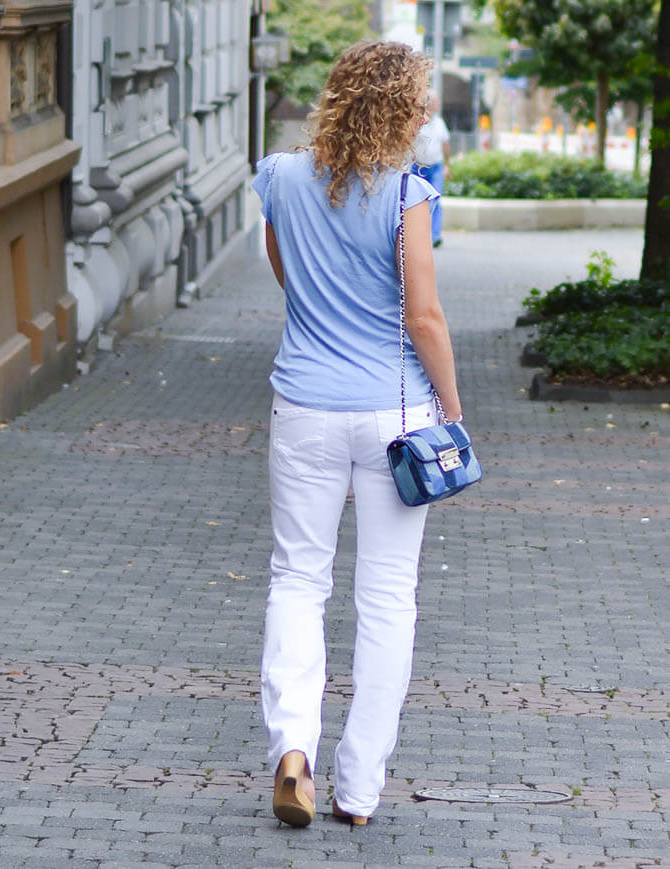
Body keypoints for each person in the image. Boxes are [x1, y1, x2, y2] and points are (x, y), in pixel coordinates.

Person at [252, 41, 463, 828]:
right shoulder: (407, 194)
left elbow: (287, 274)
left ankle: (292, 750)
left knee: (298, 579)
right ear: (405, 108)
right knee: (386, 597)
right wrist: (454, 406)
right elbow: (424, 315)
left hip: (302, 403)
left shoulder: (278, 177)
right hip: (395, 415)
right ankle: (359, 789)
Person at [411, 91, 451, 247]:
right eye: (432, 102)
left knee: (436, 199)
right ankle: (417, 235)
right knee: (415, 202)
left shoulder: (440, 124)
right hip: (417, 166)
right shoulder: (419, 121)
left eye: (436, 103)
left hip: (435, 166)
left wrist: (448, 165)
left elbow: (446, 146)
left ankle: (434, 236)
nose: (435, 105)